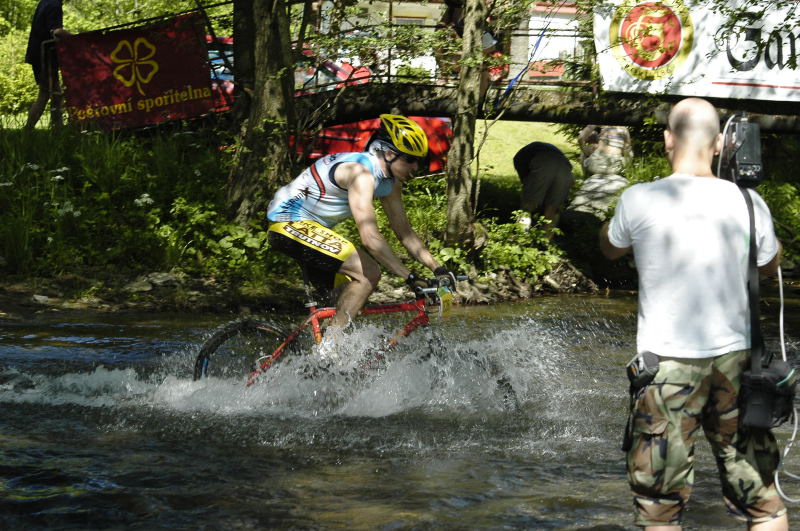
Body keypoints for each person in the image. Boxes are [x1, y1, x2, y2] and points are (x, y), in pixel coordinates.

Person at [599, 98, 787, 530]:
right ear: (720, 143)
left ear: (668, 139)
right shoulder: (748, 202)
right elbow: (769, 265)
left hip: (665, 367)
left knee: (659, 508)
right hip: (737, 364)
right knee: (763, 500)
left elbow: (610, 248)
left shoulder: (637, 199)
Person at [267, 114, 455, 335]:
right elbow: (370, 239)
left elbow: (404, 231)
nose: (416, 166)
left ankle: (317, 358)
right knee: (368, 273)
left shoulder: (390, 182)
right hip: (288, 224)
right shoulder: (361, 174)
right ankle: (330, 351)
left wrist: (437, 268)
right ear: (389, 154)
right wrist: (409, 277)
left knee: (349, 300)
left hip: (312, 229)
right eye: (410, 159)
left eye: (420, 161)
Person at [25, 0, 72, 130]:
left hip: (41, 54)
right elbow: (56, 31)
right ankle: (28, 129)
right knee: (46, 94)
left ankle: (57, 129)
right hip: (44, 55)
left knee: (54, 94)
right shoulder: (54, 4)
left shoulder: (45, 2)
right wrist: (76, 39)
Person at [512, 141, 575, 230]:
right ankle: (546, 240)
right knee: (552, 210)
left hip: (543, 160)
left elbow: (526, 182)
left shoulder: (520, 159)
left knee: (528, 205)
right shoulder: (523, 157)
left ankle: (521, 235)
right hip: (564, 166)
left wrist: (534, 196)